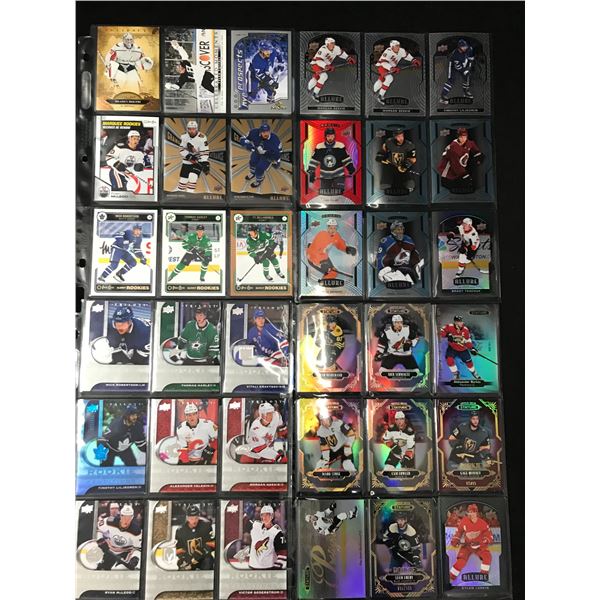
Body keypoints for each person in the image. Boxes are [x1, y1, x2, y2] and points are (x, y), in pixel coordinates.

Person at [449, 504, 493, 582]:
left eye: (473, 512)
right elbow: (459, 531)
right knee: (461, 561)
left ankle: (483, 576)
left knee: (487, 557)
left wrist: (485, 541)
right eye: (469, 512)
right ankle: (451, 577)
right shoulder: (464, 521)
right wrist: (455, 540)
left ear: (476, 513)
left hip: (479, 546)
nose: (471, 514)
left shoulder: (483, 523)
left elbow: (489, 535)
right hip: (467, 546)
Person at [306, 127, 355, 195]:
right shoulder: (319, 147)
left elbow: (346, 159)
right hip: (324, 176)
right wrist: (311, 171)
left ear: (334, 136)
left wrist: (351, 168)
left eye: (332, 136)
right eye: (328, 136)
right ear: (325, 136)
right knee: (325, 196)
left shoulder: (340, 146)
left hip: (339, 175)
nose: (330, 138)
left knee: (339, 195)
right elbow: (314, 160)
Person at [377, 220, 424, 286]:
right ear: (392, 231)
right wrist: (382, 269)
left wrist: (416, 265)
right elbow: (380, 257)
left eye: (402, 229)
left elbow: (414, 253)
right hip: (392, 270)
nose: (400, 231)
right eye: (398, 229)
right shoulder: (386, 241)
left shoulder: (408, 239)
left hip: (408, 268)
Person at [437, 128, 484, 194]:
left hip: (459, 168)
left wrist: (479, 157)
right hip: (448, 171)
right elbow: (455, 164)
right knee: (458, 180)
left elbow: (474, 149)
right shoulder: (453, 147)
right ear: (458, 137)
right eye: (461, 137)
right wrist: (465, 176)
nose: (463, 139)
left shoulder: (469, 143)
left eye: (465, 137)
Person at [96, 504, 142, 570]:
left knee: (119, 569)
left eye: (129, 517)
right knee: (101, 568)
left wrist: (135, 558)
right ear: (120, 515)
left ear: (132, 517)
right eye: (124, 516)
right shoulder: (110, 521)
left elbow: (137, 548)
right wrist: (100, 540)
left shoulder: (136, 531)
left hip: (125, 552)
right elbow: (99, 529)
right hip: (109, 549)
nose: (126, 520)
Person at [239, 123, 282, 188]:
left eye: (267, 131)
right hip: (256, 150)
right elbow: (243, 138)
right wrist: (250, 146)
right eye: (263, 132)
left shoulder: (275, 139)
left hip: (268, 155)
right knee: (252, 162)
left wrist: (277, 161)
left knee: (259, 169)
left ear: (269, 131)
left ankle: (259, 180)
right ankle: (252, 173)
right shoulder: (254, 132)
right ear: (260, 131)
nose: (266, 134)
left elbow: (279, 151)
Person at [439, 315, 481, 380]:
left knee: (469, 362)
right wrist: (447, 335)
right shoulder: (449, 326)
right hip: (452, 348)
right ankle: (456, 373)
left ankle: (473, 372)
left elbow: (468, 340)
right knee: (449, 360)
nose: (461, 323)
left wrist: (472, 348)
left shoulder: (465, 330)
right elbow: (440, 331)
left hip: (463, 349)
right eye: (458, 321)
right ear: (455, 322)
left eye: (461, 321)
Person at [376, 129, 417, 194]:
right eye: (398, 136)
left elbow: (413, 158)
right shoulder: (388, 142)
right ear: (394, 137)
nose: (400, 138)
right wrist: (381, 159)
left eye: (401, 136)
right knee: (384, 185)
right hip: (390, 167)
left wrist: (405, 166)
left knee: (410, 184)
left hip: (404, 168)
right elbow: (381, 153)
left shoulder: (409, 145)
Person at [175, 505, 215, 570]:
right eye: (191, 519)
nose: (194, 521)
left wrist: (202, 551)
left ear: (199, 516)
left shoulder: (206, 525)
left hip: (204, 558)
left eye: (196, 518)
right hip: (189, 559)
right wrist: (185, 559)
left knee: (208, 561)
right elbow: (178, 549)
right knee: (182, 566)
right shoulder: (180, 531)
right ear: (187, 518)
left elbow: (213, 544)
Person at [247, 505, 287, 569]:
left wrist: (276, 568)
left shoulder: (277, 533)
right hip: (252, 567)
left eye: (268, 515)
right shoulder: (256, 526)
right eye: (263, 515)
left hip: (268, 569)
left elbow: (283, 552)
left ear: (272, 516)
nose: (265, 517)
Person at [177, 121, 210, 193]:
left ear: (196, 129)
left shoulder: (202, 137)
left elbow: (205, 150)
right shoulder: (183, 136)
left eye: (193, 129)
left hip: (198, 161)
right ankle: (180, 193)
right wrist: (188, 156)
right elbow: (181, 149)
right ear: (187, 129)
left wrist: (204, 161)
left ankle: (190, 193)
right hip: (186, 161)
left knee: (193, 177)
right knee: (183, 180)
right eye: (190, 129)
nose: (191, 131)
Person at [440, 38, 475, 103]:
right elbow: (458, 67)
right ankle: (443, 95)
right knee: (451, 80)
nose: (465, 48)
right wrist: (465, 71)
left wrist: (469, 67)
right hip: (453, 66)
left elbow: (471, 58)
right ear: (459, 47)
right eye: (463, 47)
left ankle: (466, 92)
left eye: (465, 46)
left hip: (464, 64)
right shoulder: (455, 55)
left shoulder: (469, 49)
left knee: (466, 77)